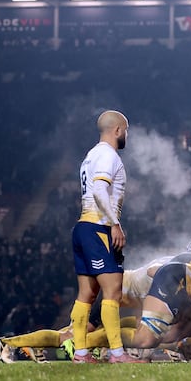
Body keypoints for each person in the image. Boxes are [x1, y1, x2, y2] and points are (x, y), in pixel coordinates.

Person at [69, 110, 143, 364]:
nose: (127, 136)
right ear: (118, 130)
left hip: (82, 227)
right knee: (113, 293)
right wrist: (115, 224)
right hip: (98, 228)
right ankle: (117, 354)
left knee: (86, 295)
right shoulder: (108, 155)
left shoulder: (91, 155)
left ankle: (80, 354)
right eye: (127, 131)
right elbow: (100, 189)